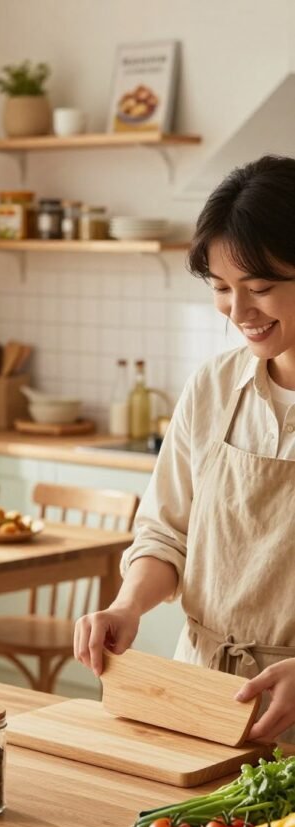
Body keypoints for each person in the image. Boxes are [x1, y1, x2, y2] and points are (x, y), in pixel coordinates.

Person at [74, 154, 295, 743]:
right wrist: (127, 608)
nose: (239, 312)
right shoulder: (214, 386)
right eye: (222, 289)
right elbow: (167, 535)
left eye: (262, 288)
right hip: (199, 695)